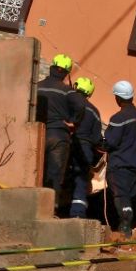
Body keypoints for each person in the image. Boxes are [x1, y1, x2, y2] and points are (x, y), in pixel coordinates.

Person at [36, 54, 83, 211]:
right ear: (66, 73)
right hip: (58, 137)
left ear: (51, 68)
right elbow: (81, 106)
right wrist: (73, 120)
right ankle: (51, 208)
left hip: (37, 134)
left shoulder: (37, 86)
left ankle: (34, 205)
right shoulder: (67, 91)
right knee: (55, 174)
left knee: (36, 171)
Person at [102, 80, 136, 237]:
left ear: (118, 98)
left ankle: (125, 229)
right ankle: (128, 227)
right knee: (129, 197)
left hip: (120, 166)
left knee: (122, 197)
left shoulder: (118, 118)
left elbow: (110, 142)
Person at [67, 77, 104, 219]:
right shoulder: (95, 111)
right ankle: (77, 214)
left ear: (76, 87)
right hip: (85, 149)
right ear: (89, 93)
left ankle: (52, 210)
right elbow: (96, 139)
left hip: (66, 145)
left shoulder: (68, 102)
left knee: (57, 177)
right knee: (81, 181)